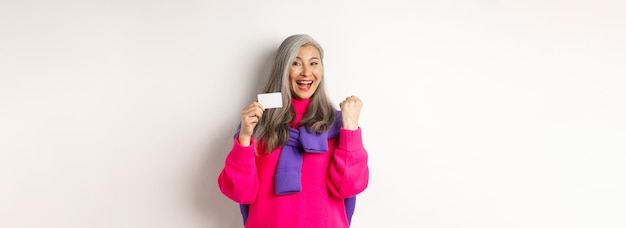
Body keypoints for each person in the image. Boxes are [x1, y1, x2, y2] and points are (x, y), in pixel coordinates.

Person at [218, 34, 369, 228]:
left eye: (314, 63)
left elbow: (349, 187)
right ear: (283, 69)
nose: (306, 72)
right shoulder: (259, 124)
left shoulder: (338, 123)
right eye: (296, 63)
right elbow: (239, 192)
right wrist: (245, 136)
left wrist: (351, 130)